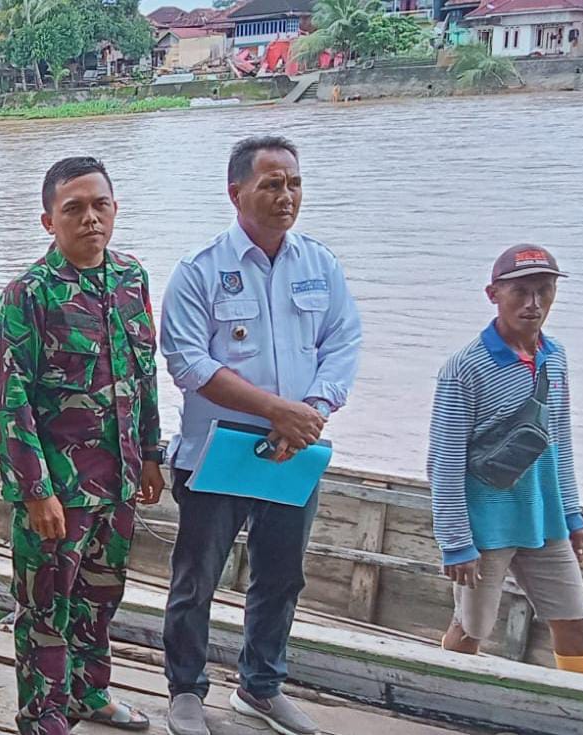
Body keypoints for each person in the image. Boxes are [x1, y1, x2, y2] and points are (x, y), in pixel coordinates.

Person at [158, 135, 362, 735]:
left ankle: (260, 687)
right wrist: (277, 410)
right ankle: (186, 690)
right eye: (271, 184)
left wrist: (311, 412)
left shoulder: (319, 265)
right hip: (217, 452)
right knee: (196, 579)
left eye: (293, 183)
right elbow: (188, 362)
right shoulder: (200, 270)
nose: (286, 196)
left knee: (281, 576)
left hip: (293, 452)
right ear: (236, 193)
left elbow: (343, 342)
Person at [0, 157, 163, 735]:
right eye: (74, 209)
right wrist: (35, 492)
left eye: (100, 205)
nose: (91, 218)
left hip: (119, 483)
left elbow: (143, 376)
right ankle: (43, 715)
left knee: (100, 599)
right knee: (45, 607)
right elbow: (10, 402)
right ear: (49, 221)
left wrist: (152, 455)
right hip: (58, 492)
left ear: (114, 209)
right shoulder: (28, 296)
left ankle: (90, 695)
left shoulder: (131, 279)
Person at [428, 244, 583, 673]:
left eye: (544, 290)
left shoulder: (555, 357)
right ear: (493, 294)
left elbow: (560, 441)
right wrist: (456, 542)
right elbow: (444, 462)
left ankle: (578, 704)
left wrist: (571, 513)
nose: (533, 303)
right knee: (471, 629)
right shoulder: (465, 368)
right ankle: (445, 697)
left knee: (575, 623)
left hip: (544, 518)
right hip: (486, 526)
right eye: (520, 291)